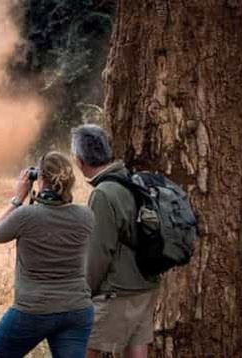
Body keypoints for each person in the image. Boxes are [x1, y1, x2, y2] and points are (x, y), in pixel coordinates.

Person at [0, 151, 95, 358]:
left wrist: (18, 199)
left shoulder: (26, 216)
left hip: (32, 310)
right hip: (77, 309)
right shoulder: (86, 216)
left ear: (40, 180)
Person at [70, 124, 161, 358]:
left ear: (80, 160)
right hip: (146, 287)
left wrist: (82, 294)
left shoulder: (103, 193)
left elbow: (98, 253)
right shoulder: (132, 181)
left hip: (118, 292)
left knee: (82, 348)